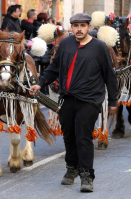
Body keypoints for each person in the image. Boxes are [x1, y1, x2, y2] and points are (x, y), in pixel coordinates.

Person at [30, 13, 118, 193]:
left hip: (90, 100)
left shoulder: (100, 48)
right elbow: (54, 67)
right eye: (76, 25)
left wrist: (113, 101)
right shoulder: (66, 44)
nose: (79, 29)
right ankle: (72, 168)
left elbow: (110, 76)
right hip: (67, 99)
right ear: (71, 27)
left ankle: (87, 176)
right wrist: (40, 83)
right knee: (69, 136)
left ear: (88, 27)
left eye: (83, 25)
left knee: (83, 136)